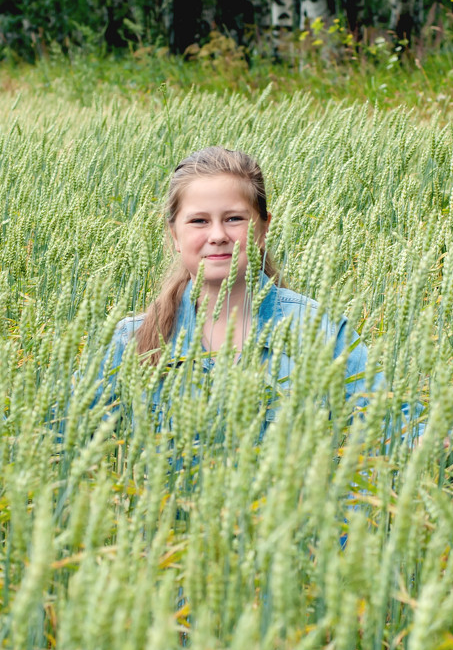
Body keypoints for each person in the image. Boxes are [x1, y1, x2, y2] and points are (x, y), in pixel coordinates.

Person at [98, 146, 400, 437]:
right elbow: (68, 435)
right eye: (199, 221)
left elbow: (394, 427)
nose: (217, 235)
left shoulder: (319, 329)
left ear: (263, 228)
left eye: (234, 219)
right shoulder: (131, 341)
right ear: (174, 234)